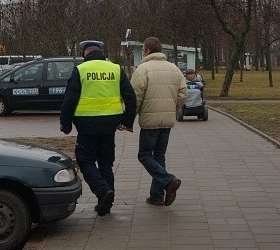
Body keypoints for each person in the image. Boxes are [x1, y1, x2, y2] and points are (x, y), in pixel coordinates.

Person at [60, 40, 137, 216]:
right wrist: (127, 120)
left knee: (85, 160)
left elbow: (69, 100)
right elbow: (130, 97)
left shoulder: (81, 70)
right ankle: (105, 205)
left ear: (85, 52)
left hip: (86, 124)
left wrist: (66, 124)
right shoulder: (116, 69)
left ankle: (102, 192)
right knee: (105, 164)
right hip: (110, 124)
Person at [130, 37, 187, 206]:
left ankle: (168, 180)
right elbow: (183, 94)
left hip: (150, 121)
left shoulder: (143, 69)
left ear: (147, 50)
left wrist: (129, 118)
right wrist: (172, 107)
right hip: (167, 120)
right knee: (159, 156)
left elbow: (135, 97)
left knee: (145, 155)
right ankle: (156, 195)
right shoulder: (174, 69)